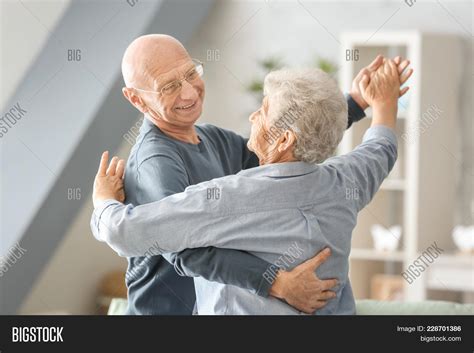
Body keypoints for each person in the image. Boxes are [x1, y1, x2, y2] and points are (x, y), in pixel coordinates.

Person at [91, 58, 410, 314]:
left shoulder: (225, 198)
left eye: (264, 109)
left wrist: (104, 201)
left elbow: (125, 232)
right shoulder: (346, 183)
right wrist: (379, 102)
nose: (254, 115)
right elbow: (380, 149)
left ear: (284, 138)